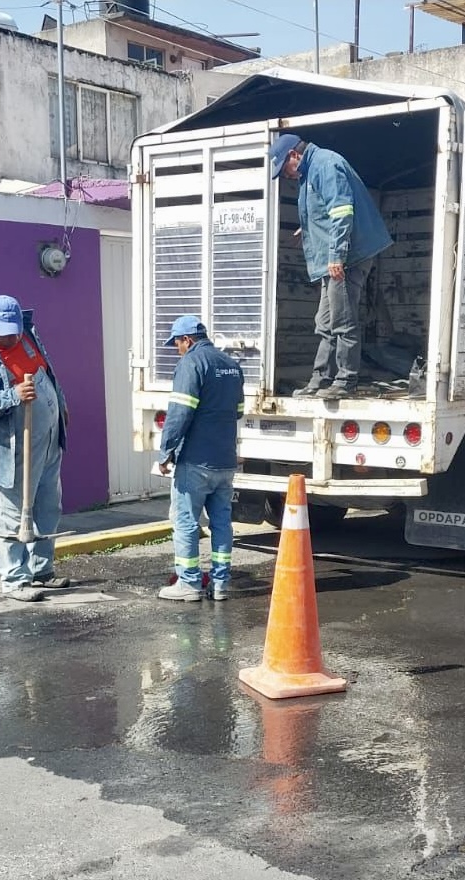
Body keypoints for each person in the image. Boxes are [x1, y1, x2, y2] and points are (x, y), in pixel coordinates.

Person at [0, 295, 70, 603]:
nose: (13, 336)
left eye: (16, 329)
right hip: (9, 449)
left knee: (47, 507)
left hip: (45, 440)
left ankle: (41, 571)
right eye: (6, 331)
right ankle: (16, 581)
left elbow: (46, 371)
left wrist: (60, 406)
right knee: (10, 514)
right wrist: (13, 395)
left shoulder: (27, 331)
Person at [269, 132, 393, 399]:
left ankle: (346, 380)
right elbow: (325, 208)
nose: (286, 176)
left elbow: (342, 211)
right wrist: (308, 227)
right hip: (335, 258)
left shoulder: (325, 165)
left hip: (347, 258)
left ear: (294, 155)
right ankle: (320, 379)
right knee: (324, 322)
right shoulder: (311, 169)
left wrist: (337, 255)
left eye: (285, 168)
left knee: (342, 320)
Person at [157, 315, 245, 602]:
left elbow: (180, 413)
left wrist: (166, 451)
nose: (177, 350)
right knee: (221, 522)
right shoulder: (232, 365)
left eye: (177, 344)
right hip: (225, 460)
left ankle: (189, 583)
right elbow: (239, 410)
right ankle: (220, 584)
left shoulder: (192, 363)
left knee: (185, 522)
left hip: (195, 460)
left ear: (188, 340)